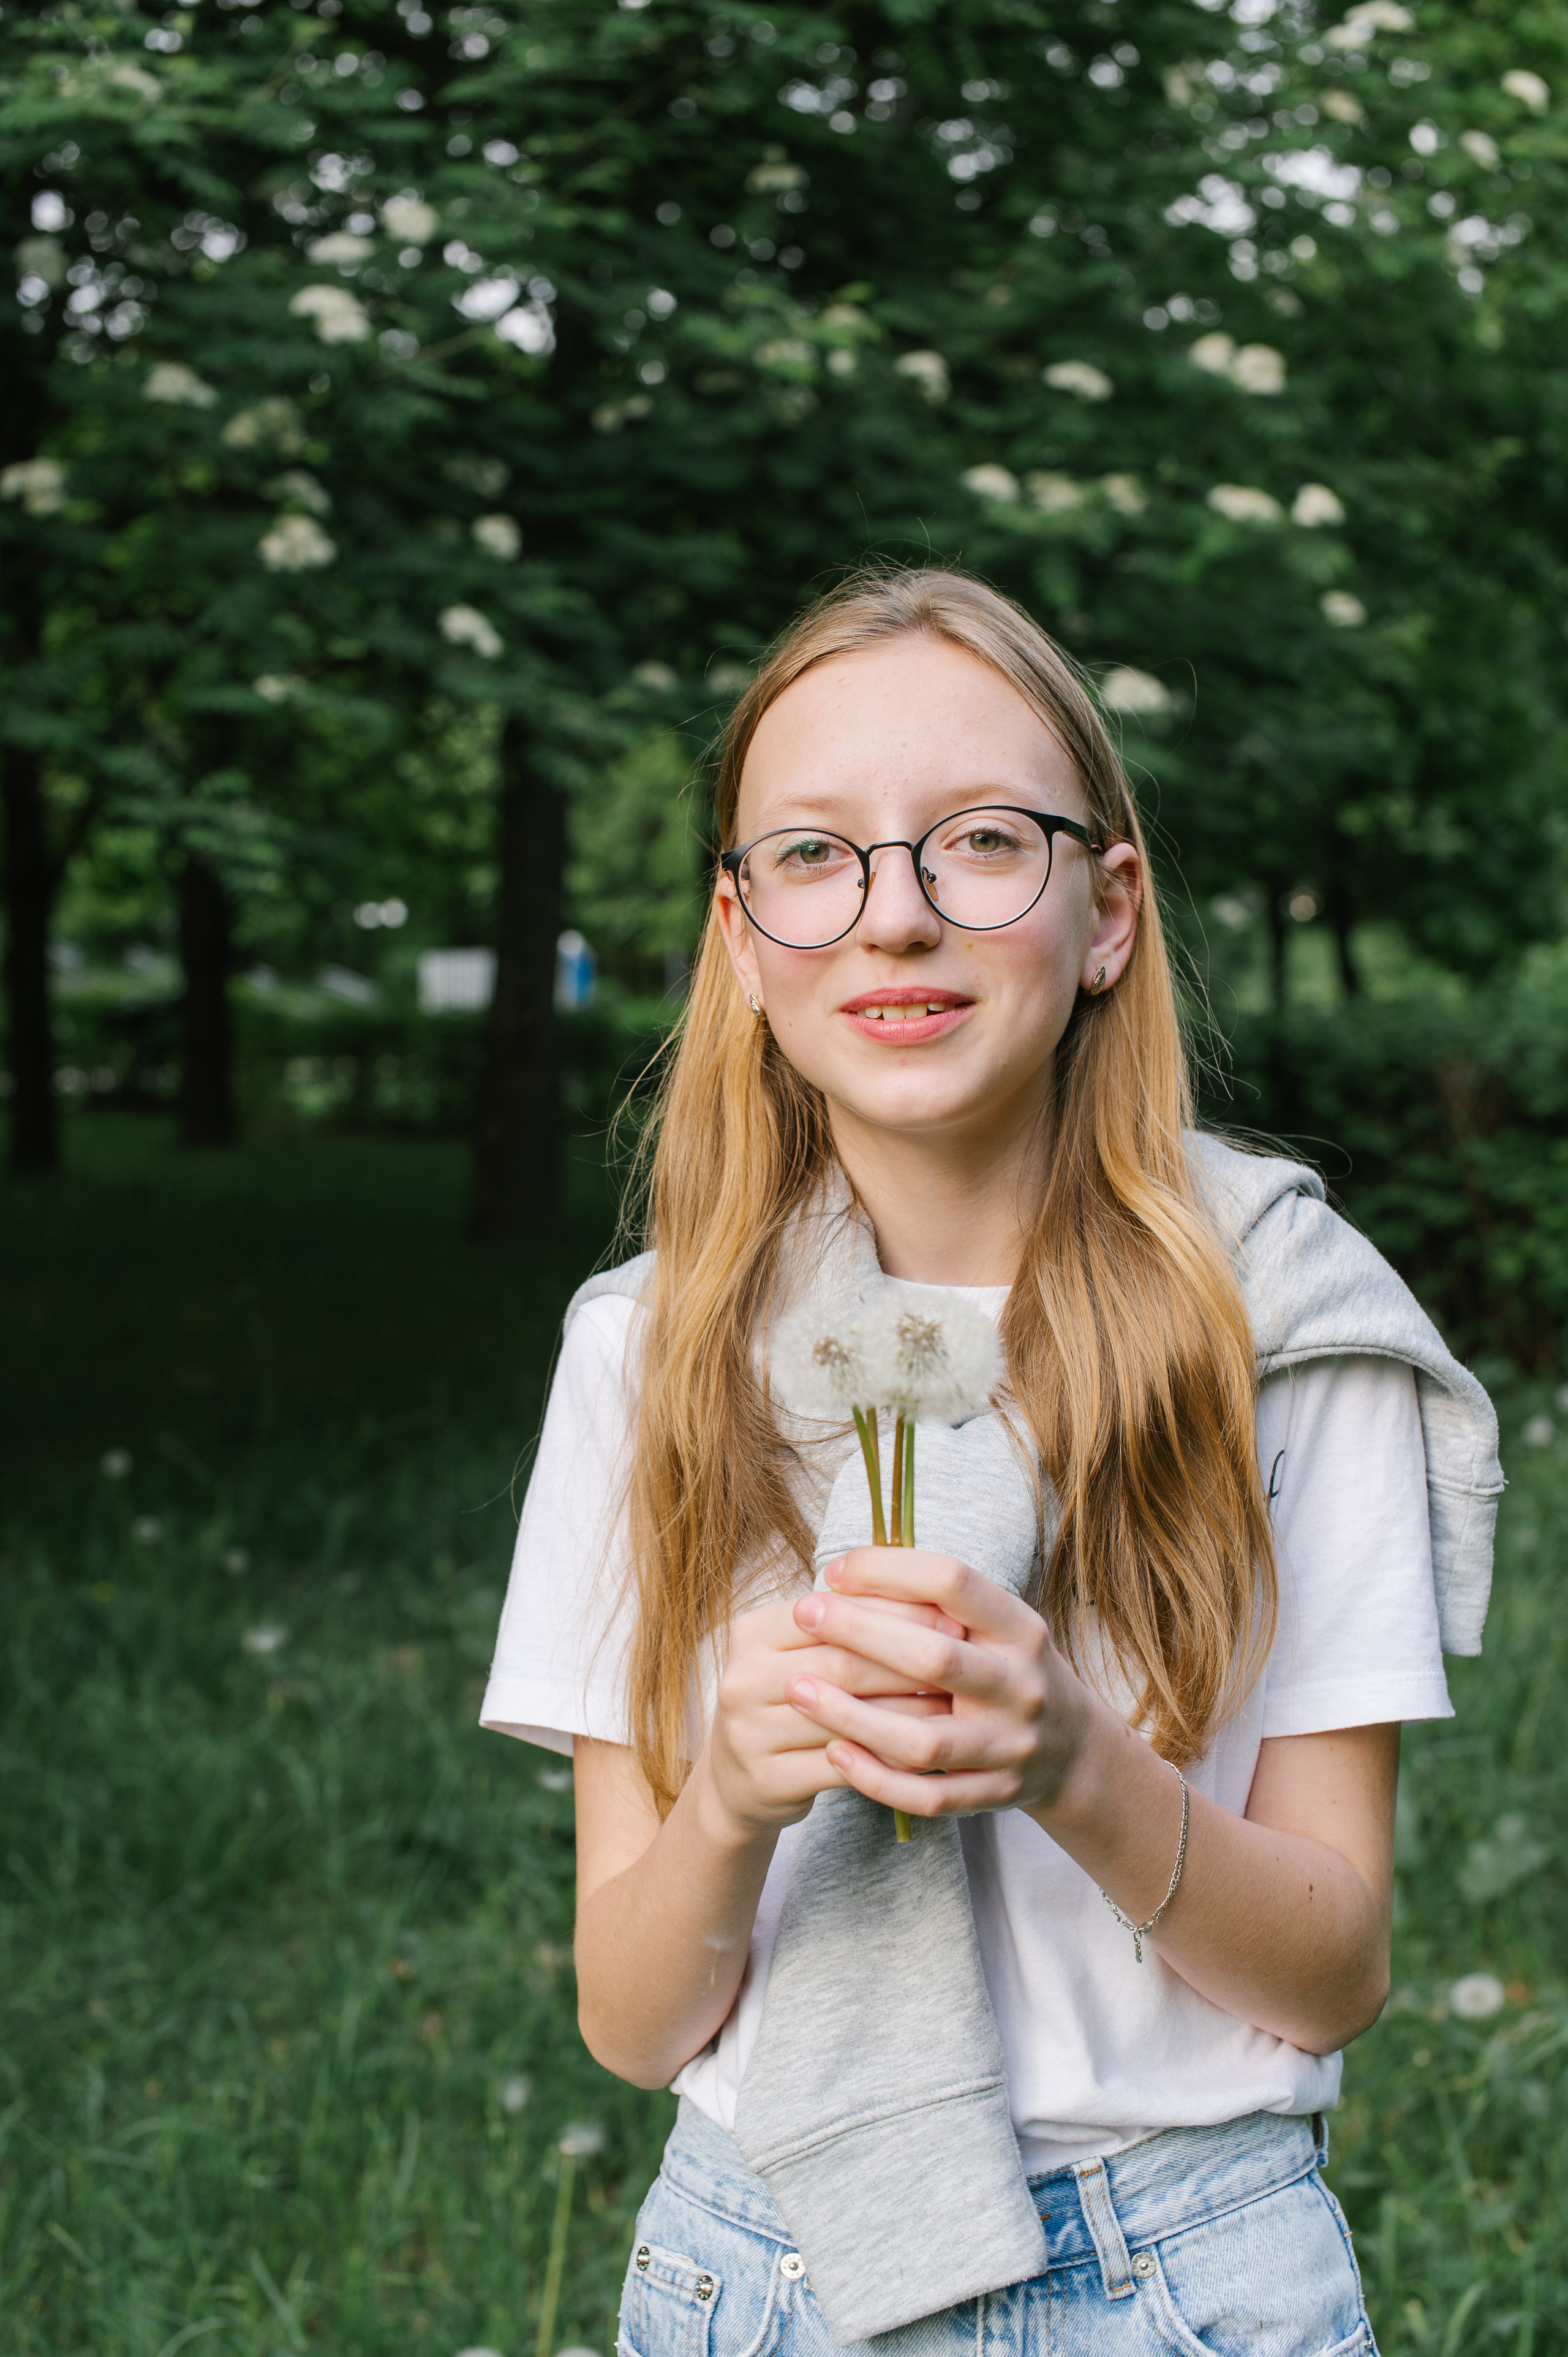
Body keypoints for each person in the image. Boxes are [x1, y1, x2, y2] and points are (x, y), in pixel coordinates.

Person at [481, 568, 1499, 2357]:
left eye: (978, 842)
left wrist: (1072, 1764)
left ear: (1108, 910)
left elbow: (1334, 1974)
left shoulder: (1285, 1329)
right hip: (754, 2264)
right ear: (741, 940)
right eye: (815, 855)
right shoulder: (646, 1355)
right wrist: (727, 1795)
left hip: (1193, 2270)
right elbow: (634, 2025)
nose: (895, 920)